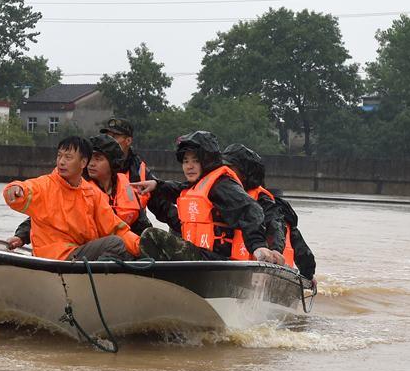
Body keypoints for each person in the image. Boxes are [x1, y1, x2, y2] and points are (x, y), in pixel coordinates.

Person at [131, 131, 283, 265]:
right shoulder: (197, 184)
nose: (189, 166)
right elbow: (178, 189)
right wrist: (156, 185)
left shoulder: (222, 185)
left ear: (207, 160)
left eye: (195, 161)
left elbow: (251, 209)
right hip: (200, 257)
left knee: (152, 235)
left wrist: (258, 246)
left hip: (217, 262)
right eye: (185, 161)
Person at [2, 136, 141, 261]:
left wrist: (140, 246)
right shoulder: (45, 185)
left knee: (128, 252)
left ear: (83, 163)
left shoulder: (91, 193)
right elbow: (26, 189)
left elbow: (115, 228)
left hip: (78, 252)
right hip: (53, 256)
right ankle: (100, 279)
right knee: (115, 243)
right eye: (59, 156)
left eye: (68, 157)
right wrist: (15, 189)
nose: (61, 162)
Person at [222, 143, 317, 281]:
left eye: (230, 168)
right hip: (226, 267)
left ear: (245, 174)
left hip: (265, 273)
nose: (225, 172)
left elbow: (286, 234)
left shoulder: (269, 205)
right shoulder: (220, 196)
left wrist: (308, 274)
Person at [99, 117, 180, 233]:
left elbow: (162, 206)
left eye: (114, 137)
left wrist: (186, 227)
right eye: (107, 136)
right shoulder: (92, 166)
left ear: (128, 141)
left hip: (133, 230)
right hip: (101, 232)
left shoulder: (140, 171)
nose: (108, 141)